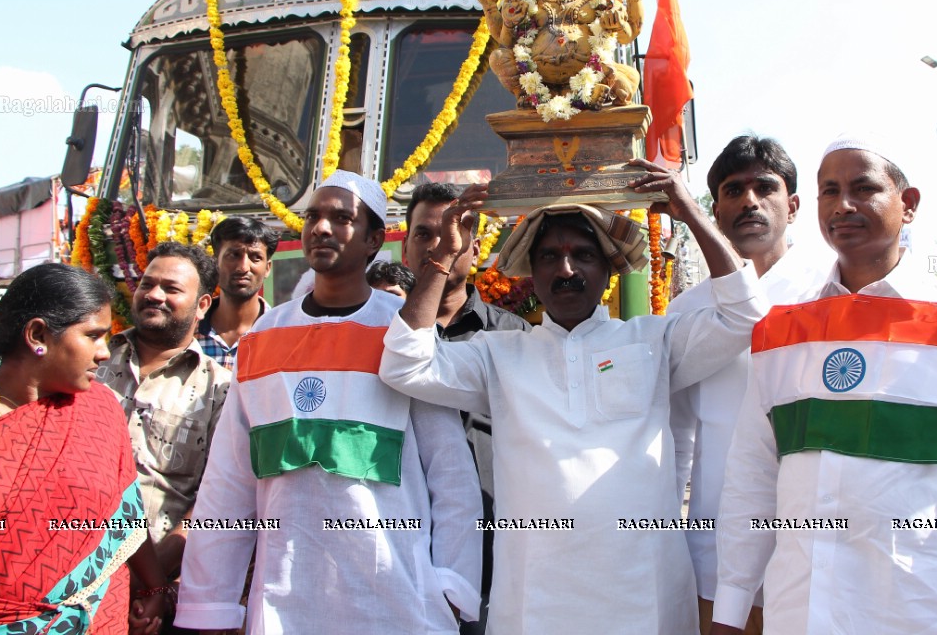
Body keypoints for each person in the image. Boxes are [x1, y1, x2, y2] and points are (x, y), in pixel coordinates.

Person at [380, 159, 767, 635]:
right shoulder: (499, 355)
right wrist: (442, 254)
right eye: (549, 257)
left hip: (645, 596)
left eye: (583, 255)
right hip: (535, 602)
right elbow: (404, 364)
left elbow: (746, 316)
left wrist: (690, 211)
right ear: (532, 274)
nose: (565, 269)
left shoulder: (651, 341)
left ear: (608, 268)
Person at [712, 135, 937, 635]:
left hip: (922, 611)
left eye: (864, 188)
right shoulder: (780, 328)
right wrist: (731, 605)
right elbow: (751, 478)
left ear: (909, 204)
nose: (843, 205)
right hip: (802, 613)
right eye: (829, 191)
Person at [176, 170, 482, 634]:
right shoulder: (264, 336)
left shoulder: (404, 335)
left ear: (374, 239)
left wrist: (452, 584)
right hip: (285, 597)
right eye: (313, 216)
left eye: (342, 218)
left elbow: (451, 473)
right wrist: (209, 602)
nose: (321, 228)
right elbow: (228, 482)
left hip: (398, 597)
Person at [669, 135, 814, 635]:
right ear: (715, 208)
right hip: (715, 552)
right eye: (733, 190)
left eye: (764, 187)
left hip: (818, 550)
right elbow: (677, 441)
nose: (749, 201)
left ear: (792, 205)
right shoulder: (687, 309)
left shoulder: (830, 293)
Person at [0, 263, 170, 635]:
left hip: (103, 620)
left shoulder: (99, 408)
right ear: (38, 334)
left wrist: (155, 587)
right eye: (93, 336)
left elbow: (124, 515)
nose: (104, 353)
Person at [400, 181, 531, 634]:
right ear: (404, 250)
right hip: (397, 545)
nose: (441, 244)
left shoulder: (513, 337)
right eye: (424, 234)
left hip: (496, 549)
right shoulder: (380, 339)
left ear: (474, 249)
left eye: (455, 231)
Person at [94, 242, 229, 583]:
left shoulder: (221, 389)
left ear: (202, 305)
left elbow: (219, 495)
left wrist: (151, 577)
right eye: (147, 284)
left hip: (160, 587)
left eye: (171, 289)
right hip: (71, 572)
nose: (154, 295)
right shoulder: (91, 360)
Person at [197, 216, 278, 371]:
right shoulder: (188, 330)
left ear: (267, 268)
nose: (243, 267)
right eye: (234, 255)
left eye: (255, 258)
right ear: (215, 263)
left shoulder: (282, 333)